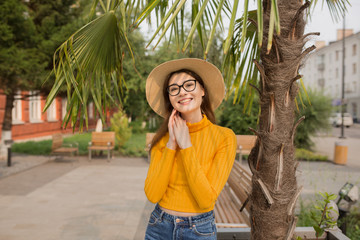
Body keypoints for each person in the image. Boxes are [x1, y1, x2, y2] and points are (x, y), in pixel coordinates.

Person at [144, 58, 237, 240]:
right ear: (170, 98)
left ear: (202, 90)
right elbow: (153, 194)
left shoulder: (224, 137)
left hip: (198, 231)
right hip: (159, 227)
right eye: (174, 89)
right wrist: (172, 144)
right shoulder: (162, 140)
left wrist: (186, 146)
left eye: (188, 85)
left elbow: (206, 200)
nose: (182, 92)